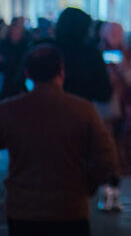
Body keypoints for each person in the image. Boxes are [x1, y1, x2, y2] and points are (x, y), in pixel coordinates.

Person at [0, 44, 117, 236]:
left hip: (23, 207)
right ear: (61, 71)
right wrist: (87, 185)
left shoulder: (9, 110)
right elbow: (107, 159)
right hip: (70, 207)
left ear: (27, 73)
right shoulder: (83, 110)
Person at [96, 23, 131, 213]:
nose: (115, 36)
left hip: (123, 111)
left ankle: (115, 192)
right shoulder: (96, 54)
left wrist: (123, 70)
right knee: (104, 152)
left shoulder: (130, 55)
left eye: (118, 33)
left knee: (120, 152)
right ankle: (105, 191)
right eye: (111, 33)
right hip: (102, 110)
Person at [54, 7, 112, 104]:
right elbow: (104, 94)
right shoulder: (91, 55)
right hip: (81, 110)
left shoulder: (48, 51)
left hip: (48, 109)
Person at [0, 18, 30, 100]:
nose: (15, 33)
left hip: (20, 81)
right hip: (7, 80)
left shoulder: (25, 46)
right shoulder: (4, 45)